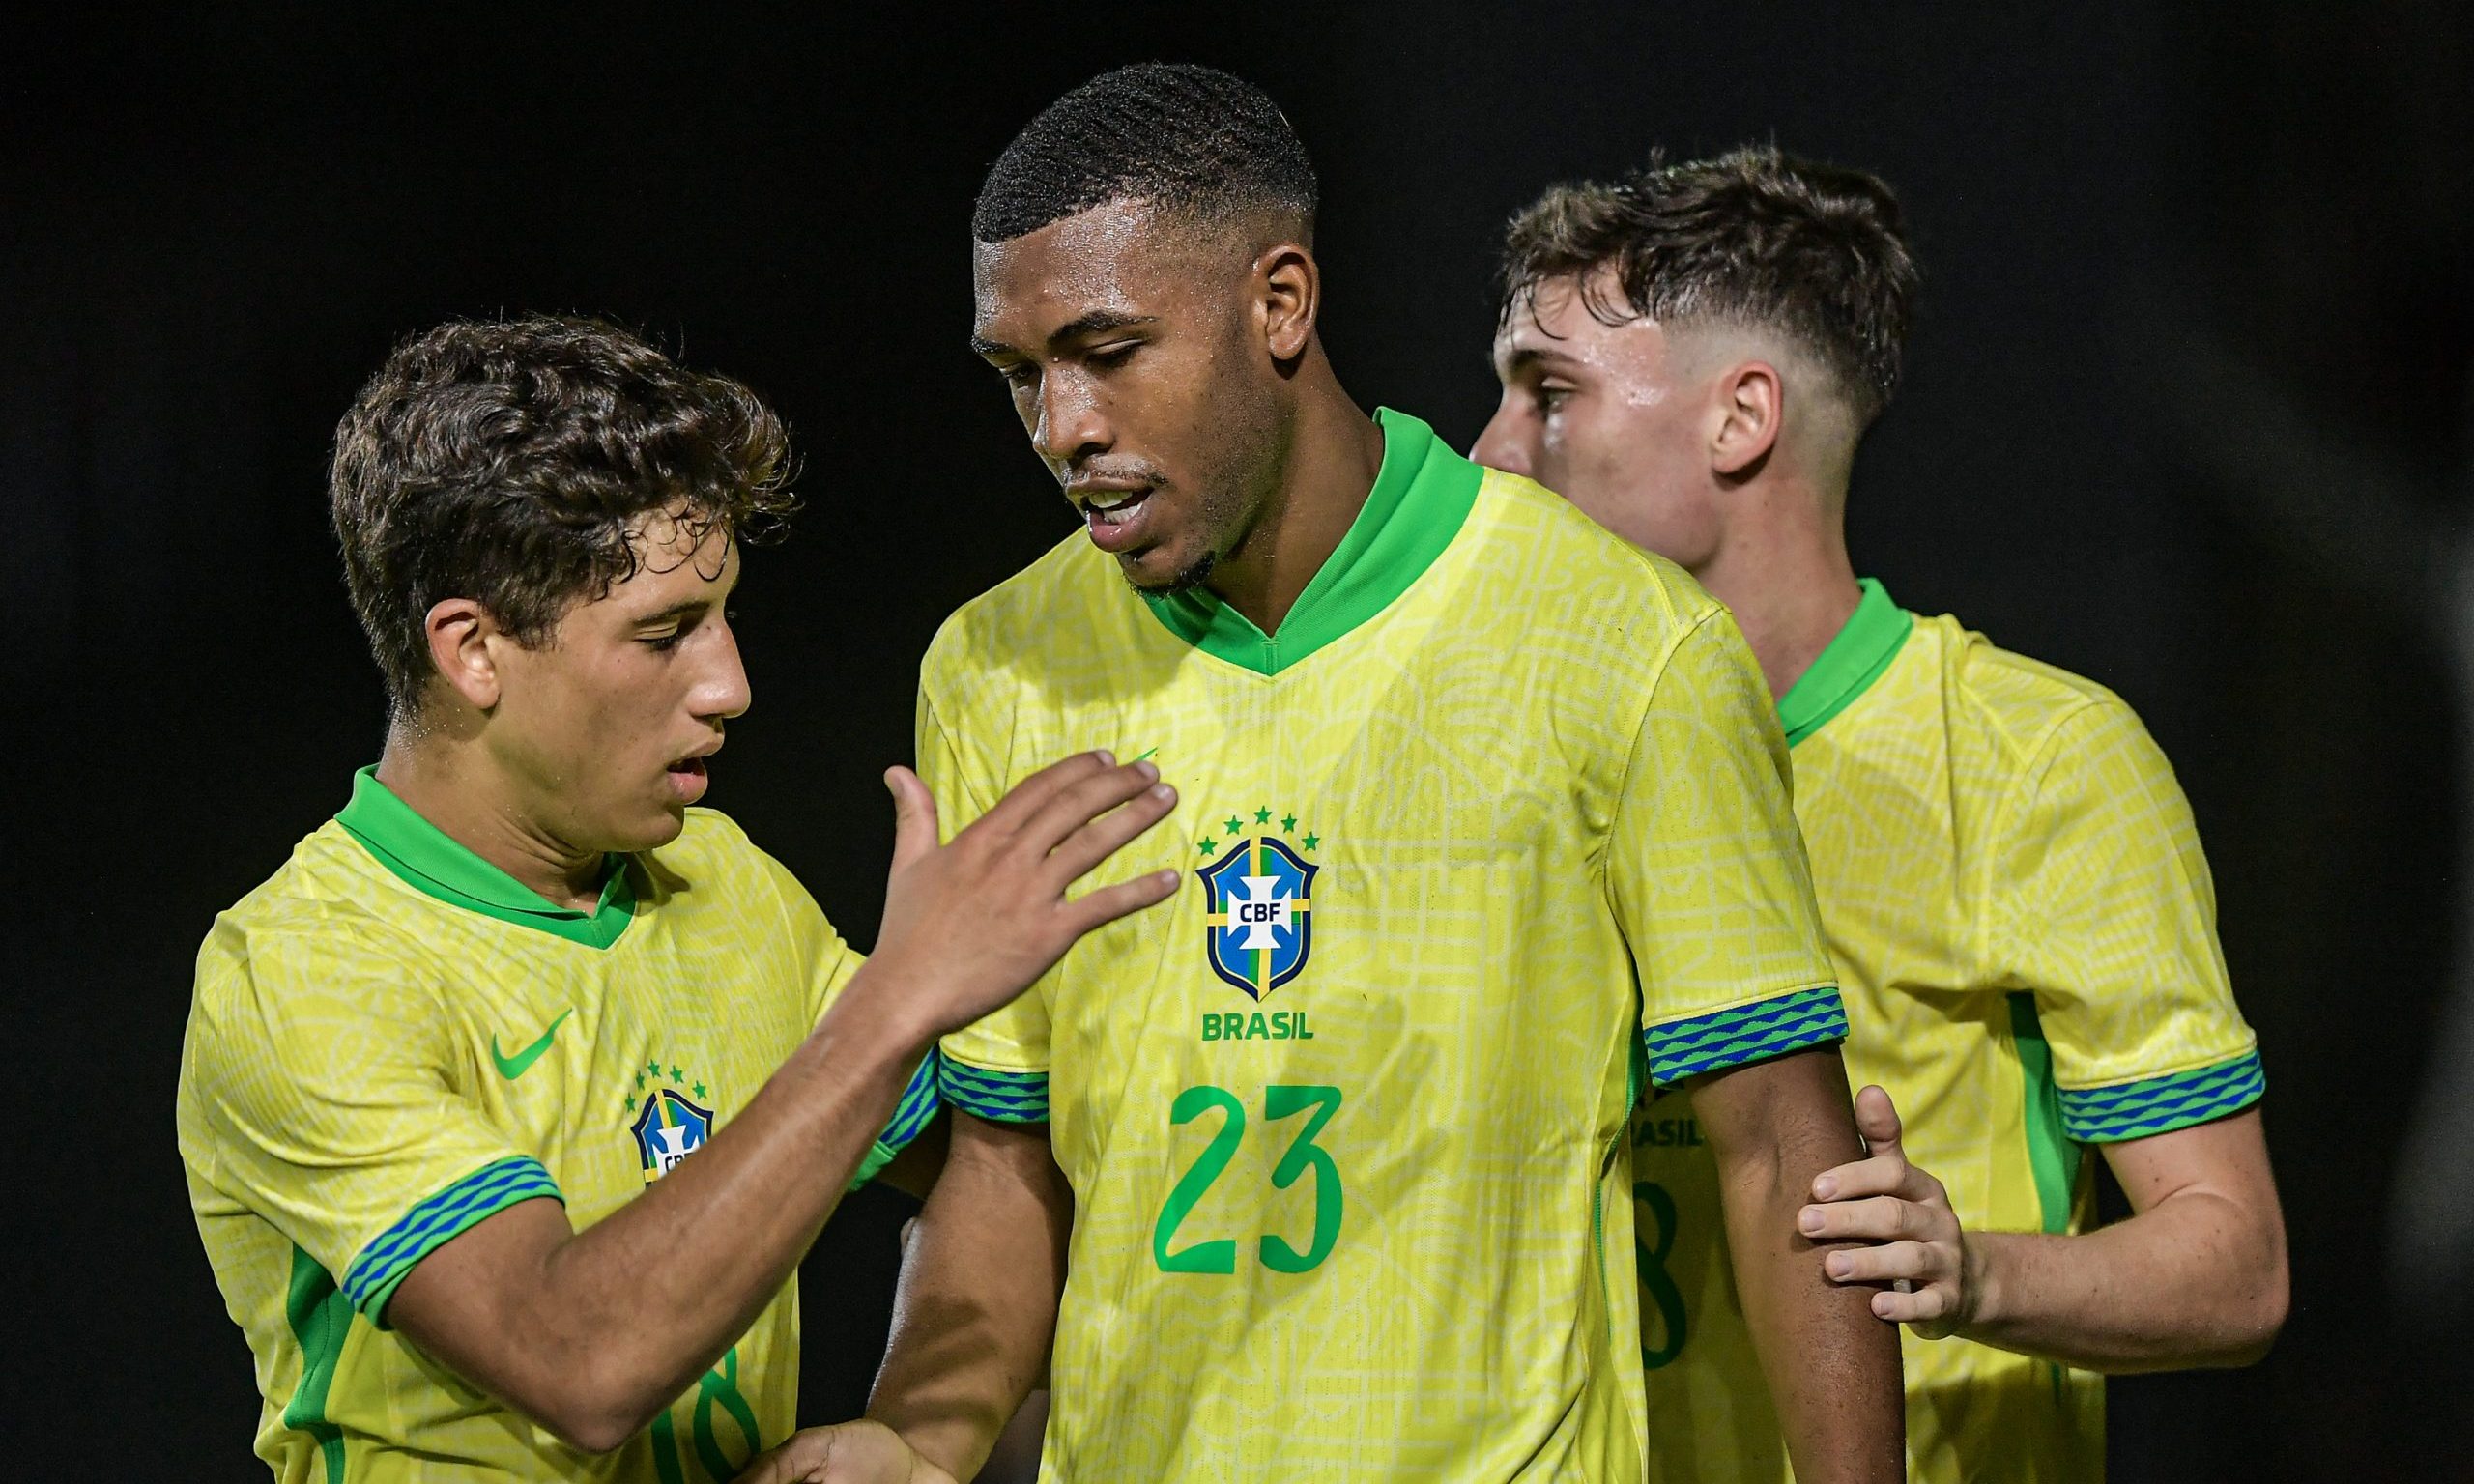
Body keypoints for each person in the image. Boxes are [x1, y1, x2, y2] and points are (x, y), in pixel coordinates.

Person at [747, 65, 1903, 1484]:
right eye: (1020, 375)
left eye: (1109, 351)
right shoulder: (996, 666)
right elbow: (1006, 1165)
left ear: (1279, 303)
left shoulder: (1627, 641)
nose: (1061, 428)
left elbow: (1784, 1161)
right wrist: (922, 1438)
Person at [176, 316, 1181, 1483]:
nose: (730, 685)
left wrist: (925, 1441)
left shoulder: (726, 882)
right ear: (473, 650)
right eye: (663, 633)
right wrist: (896, 998)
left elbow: (1016, 1164)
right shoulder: (299, 969)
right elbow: (581, 1362)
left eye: (724, 616)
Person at [1472, 147, 2289, 1481]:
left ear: (1740, 419)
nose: (1490, 455)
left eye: (1547, 395)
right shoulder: (1502, 762)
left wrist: (1970, 1272)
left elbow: (2237, 1265)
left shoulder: (2037, 760)